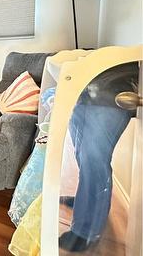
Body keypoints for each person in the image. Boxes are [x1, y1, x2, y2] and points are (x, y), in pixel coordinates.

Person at [59, 62, 139, 252]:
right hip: (85, 92)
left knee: (94, 161)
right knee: (82, 154)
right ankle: (85, 200)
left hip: (111, 96)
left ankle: (85, 233)